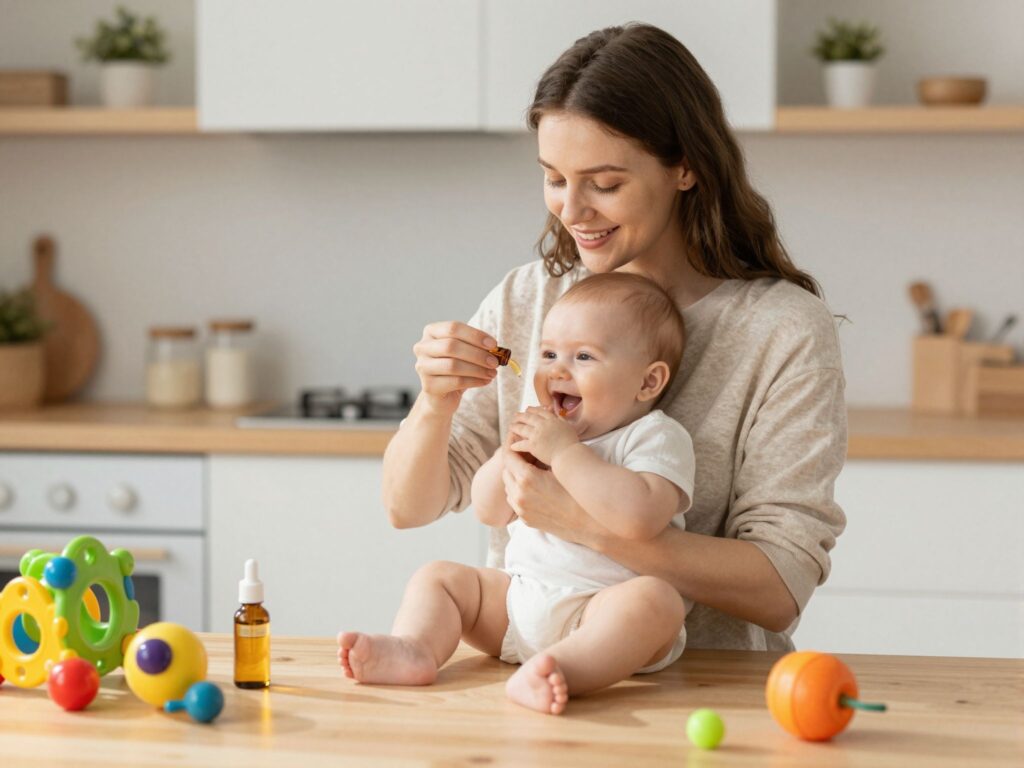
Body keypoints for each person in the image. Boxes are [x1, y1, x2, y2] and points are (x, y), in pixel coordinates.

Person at [382, 22, 846, 659]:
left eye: (604, 183)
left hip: (712, 692)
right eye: (553, 177)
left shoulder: (780, 329)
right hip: (533, 678)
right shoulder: (529, 299)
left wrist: (582, 521)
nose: (571, 211)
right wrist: (433, 403)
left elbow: (780, 585)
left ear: (685, 168)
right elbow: (409, 508)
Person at [339, 273, 695, 714]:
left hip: (601, 613)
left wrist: (564, 453)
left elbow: (638, 518)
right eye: (548, 354)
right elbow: (489, 511)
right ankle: (415, 649)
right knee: (439, 578)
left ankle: (561, 669)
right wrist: (509, 455)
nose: (557, 370)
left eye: (583, 356)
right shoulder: (543, 433)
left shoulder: (653, 436)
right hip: (518, 605)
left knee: (656, 602)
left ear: (647, 382)